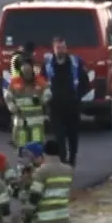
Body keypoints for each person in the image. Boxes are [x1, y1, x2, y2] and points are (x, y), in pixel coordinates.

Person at [42, 36, 87, 165]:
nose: (60, 51)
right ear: (53, 49)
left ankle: (72, 159)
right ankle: (62, 159)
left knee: (73, 135)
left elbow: (84, 82)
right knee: (59, 135)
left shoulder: (75, 62)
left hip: (72, 105)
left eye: (62, 47)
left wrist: (77, 97)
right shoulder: (48, 64)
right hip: (55, 107)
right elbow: (42, 82)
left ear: (66, 48)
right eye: (58, 48)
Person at [6, 69, 48, 152]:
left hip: (36, 121)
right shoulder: (15, 83)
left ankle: (37, 163)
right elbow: (8, 98)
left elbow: (48, 93)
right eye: (25, 73)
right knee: (21, 145)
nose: (27, 75)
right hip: (20, 121)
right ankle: (22, 163)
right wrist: (13, 108)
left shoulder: (40, 81)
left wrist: (42, 100)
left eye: (28, 72)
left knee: (37, 145)